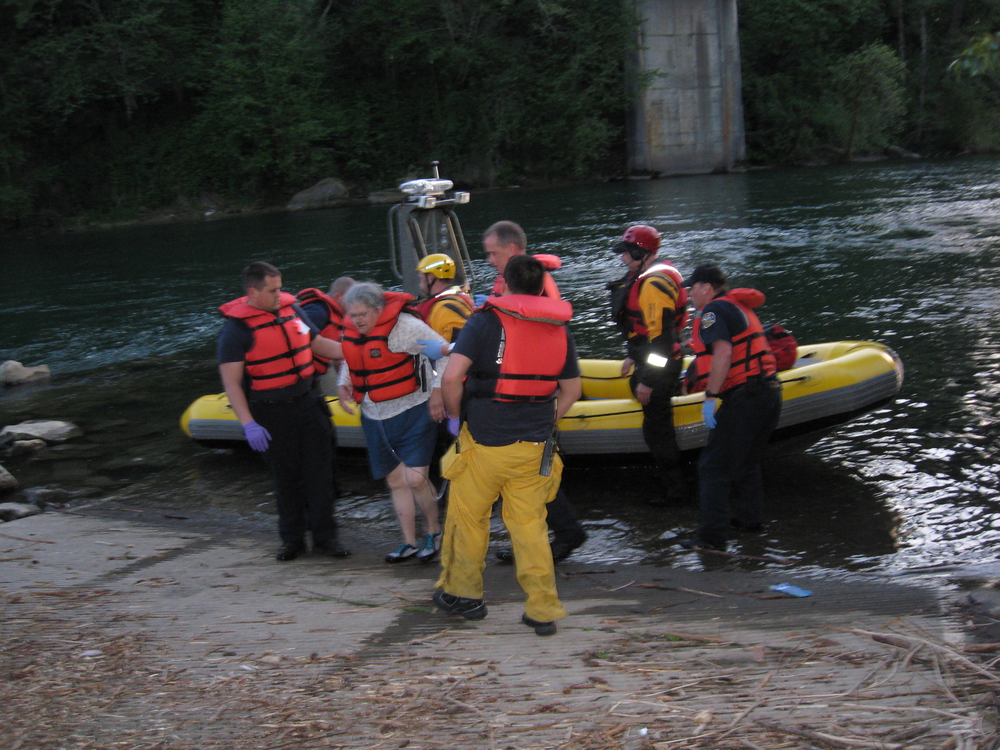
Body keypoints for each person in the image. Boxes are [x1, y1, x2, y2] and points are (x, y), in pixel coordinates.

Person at [434, 255, 582, 636]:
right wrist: (547, 419)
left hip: (484, 442)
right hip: (534, 446)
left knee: (468, 519)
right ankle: (543, 609)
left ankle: (464, 597)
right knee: (530, 527)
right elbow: (572, 390)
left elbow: (452, 378)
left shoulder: (483, 320)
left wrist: (454, 418)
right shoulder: (559, 329)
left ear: (506, 284)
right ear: (540, 287)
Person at [217, 262, 349, 562]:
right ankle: (292, 540)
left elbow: (318, 344)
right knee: (286, 479)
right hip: (270, 413)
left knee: (321, 475)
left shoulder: (292, 310)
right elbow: (232, 384)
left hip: (308, 403)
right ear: (253, 292)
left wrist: (358, 350)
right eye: (273, 290)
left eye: (281, 287)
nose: (281, 294)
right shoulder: (234, 332)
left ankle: (327, 537)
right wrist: (249, 424)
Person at [476, 220, 589, 562]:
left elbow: (533, 336)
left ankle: (563, 533)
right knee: (530, 476)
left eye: (493, 253)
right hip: (526, 394)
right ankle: (545, 537)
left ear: (511, 250)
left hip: (532, 396)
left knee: (533, 475)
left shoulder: (531, 283)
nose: (489, 260)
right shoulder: (518, 281)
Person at [337, 283, 449, 563]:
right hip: (374, 415)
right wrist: (343, 384)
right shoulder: (353, 331)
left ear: (378, 310)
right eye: (353, 315)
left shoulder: (407, 327)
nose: (357, 320)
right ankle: (408, 542)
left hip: (414, 410)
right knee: (396, 480)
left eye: (363, 314)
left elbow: (447, 355)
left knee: (415, 479)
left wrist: (437, 393)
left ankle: (433, 531)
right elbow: (351, 360)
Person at [679, 264, 782, 551]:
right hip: (769, 392)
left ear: (706, 288)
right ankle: (751, 522)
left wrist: (710, 397)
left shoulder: (712, 311)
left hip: (745, 396)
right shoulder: (736, 306)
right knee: (747, 463)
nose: (689, 293)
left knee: (712, 467)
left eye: (693, 287)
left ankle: (711, 539)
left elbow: (724, 351)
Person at [606, 224, 690, 503]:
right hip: (661, 361)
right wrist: (634, 356)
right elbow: (651, 334)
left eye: (627, 254)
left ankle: (676, 492)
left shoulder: (652, 284)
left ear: (641, 253)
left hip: (661, 367)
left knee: (657, 432)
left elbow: (662, 342)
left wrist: (648, 381)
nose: (623, 259)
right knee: (656, 426)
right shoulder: (652, 275)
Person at [297, 277, 355, 396]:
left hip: (317, 372)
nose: (354, 305)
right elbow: (296, 334)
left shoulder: (339, 317)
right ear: (338, 297)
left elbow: (337, 357)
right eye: (351, 300)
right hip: (301, 376)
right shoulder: (319, 310)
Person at [413, 254, 474, 344]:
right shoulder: (457, 295)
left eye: (421, 279)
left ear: (430, 278)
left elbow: (457, 349)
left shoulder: (445, 310)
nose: (420, 285)